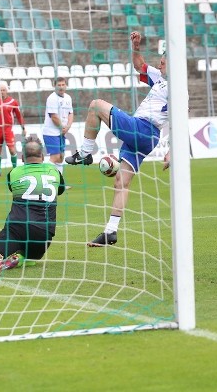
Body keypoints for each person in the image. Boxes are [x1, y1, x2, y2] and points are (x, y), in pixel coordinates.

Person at [65, 30, 169, 246]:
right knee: (121, 182)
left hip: (144, 129)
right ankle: (110, 231)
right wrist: (136, 48)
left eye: (162, 63)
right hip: (144, 136)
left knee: (95, 105)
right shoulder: (160, 79)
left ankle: (85, 153)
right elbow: (139, 65)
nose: (159, 66)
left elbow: (181, 119)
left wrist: (171, 151)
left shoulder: (178, 89)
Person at [0, 135, 66, 278]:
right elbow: (60, 190)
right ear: (43, 156)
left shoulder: (14, 173)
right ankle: (20, 259)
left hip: (17, 228)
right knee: (32, 258)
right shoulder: (54, 172)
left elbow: (13, 190)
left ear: (22, 157)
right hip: (43, 234)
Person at [0, 81, 25, 177]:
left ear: (7, 91)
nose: (2, 92)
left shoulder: (13, 102)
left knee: (12, 149)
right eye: (0, 90)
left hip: (8, 129)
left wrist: (23, 127)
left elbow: (19, 116)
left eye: (3, 90)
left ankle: (15, 170)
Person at [42, 77, 74, 177]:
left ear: (66, 86)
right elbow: (54, 116)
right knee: (55, 157)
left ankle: (60, 183)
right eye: (59, 85)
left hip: (61, 132)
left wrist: (68, 127)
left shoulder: (68, 98)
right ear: (54, 86)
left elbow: (71, 113)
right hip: (51, 132)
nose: (61, 87)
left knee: (61, 157)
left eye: (63, 85)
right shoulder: (52, 98)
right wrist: (62, 128)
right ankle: (44, 179)